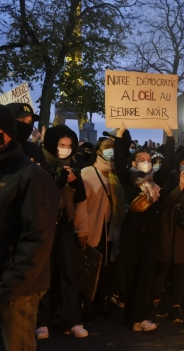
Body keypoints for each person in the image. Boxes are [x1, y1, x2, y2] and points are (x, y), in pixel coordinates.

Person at [0, 105, 59, 351]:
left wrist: (8, 288)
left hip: (17, 289)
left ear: (5, 134)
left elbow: (37, 240)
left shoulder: (32, 176)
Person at [113, 123, 175, 332]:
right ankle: (132, 318)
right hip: (132, 234)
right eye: (142, 160)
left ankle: (144, 317)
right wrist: (120, 137)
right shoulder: (128, 180)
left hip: (151, 235)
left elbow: (168, 164)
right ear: (133, 162)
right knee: (131, 277)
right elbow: (119, 162)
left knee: (146, 277)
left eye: (149, 161)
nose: (147, 163)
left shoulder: (155, 181)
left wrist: (169, 136)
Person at [36, 125, 89, 339]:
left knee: (70, 273)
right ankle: (42, 321)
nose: (65, 150)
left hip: (66, 226)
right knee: (44, 275)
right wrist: (56, 184)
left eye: (69, 146)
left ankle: (72, 320)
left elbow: (80, 201)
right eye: (61, 145)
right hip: (45, 228)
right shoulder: (41, 165)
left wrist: (76, 187)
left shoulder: (73, 167)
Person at [151, 150, 184, 323]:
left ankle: (177, 305)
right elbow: (165, 201)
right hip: (168, 227)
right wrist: (180, 186)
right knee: (163, 267)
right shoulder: (171, 176)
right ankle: (156, 301)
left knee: (181, 271)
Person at [79, 137, 126, 314]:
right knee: (92, 268)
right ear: (98, 150)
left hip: (111, 228)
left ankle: (102, 301)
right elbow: (81, 205)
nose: (111, 150)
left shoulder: (116, 174)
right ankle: (87, 303)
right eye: (107, 147)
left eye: (114, 147)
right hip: (93, 228)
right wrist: (81, 229)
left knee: (107, 268)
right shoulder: (88, 173)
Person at [5, 103, 47, 168]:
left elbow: (48, 176)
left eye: (30, 122)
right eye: (22, 120)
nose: (27, 125)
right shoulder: (3, 148)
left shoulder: (35, 150)